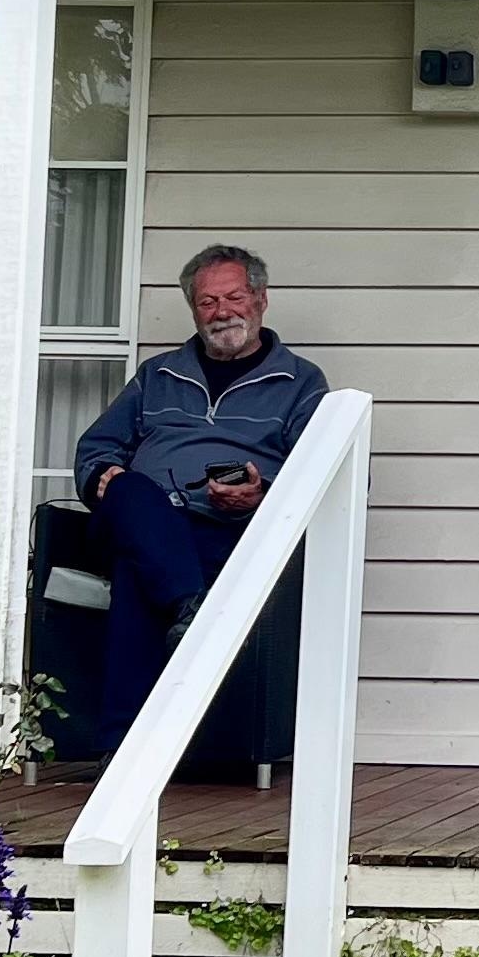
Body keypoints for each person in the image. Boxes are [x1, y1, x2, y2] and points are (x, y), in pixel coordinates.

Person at [71, 243, 330, 747]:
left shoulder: (300, 383)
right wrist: (104, 473)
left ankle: (121, 752)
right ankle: (192, 605)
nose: (222, 312)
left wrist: (262, 496)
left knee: (137, 575)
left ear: (260, 300)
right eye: (208, 302)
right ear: (193, 308)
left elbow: (330, 475)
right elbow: (96, 449)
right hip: (141, 515)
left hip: (227, 530)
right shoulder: (157, 375)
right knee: (130, 493)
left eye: (233, 297)